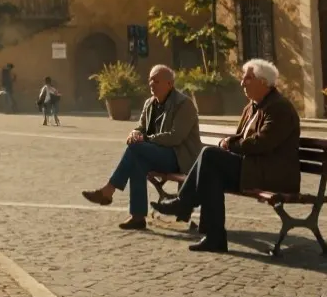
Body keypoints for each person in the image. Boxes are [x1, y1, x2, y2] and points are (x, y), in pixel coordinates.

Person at [152, 58, 300, 252]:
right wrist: (231, 144)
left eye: (247, 78)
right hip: (253, 168)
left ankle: (183, 203)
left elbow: (263, 143)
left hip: (272, 174)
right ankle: (214, 238)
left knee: (210, 156)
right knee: (211, 173)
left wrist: (229, 143)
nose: (242, 82)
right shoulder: (252, 107)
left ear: (263, 82)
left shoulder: (278, 107)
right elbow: (244, 139)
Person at [80, 65, 202, 230]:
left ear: (169, 84)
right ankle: (137, 217)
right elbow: (141, 128)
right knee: (137, 159)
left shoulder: (184, 104)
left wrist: (145, 139)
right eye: (150, 80)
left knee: (136, 149)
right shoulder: (150, 103)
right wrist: (134, 133)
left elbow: (176, 137)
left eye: (156, 81)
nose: (152, 84)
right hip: (158, 153)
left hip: (181, 157)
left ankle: (108, 191)